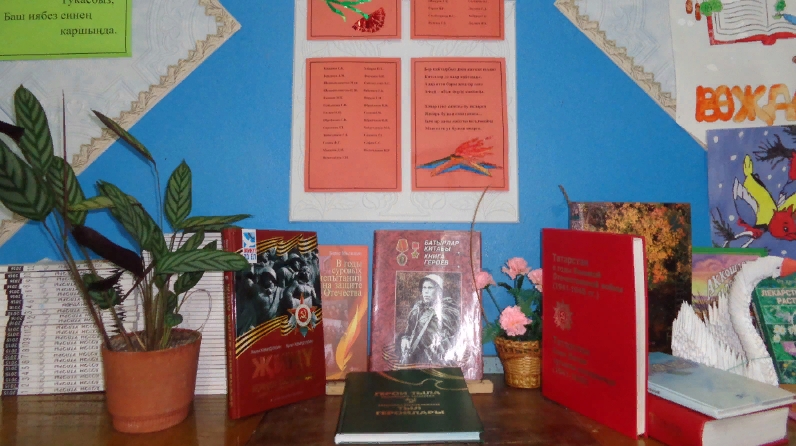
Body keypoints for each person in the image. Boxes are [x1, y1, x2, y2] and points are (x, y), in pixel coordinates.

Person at [398, 274, 460, 366]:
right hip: (415, 360)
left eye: (430, 288)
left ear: (438, 291)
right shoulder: (418, 309)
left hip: (439, 361)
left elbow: (445, 329)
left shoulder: (449, 309)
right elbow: (409, 332)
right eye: (424, 288)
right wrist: (405, 339)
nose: (426, 292)